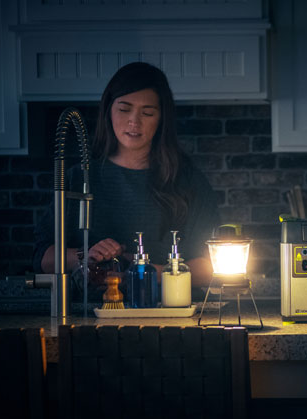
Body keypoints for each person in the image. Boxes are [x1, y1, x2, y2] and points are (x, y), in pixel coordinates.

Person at [33, 62, 220, 291]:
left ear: (161, 118)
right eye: (124, 109)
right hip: (88, 313)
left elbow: (211, 264)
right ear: (108, 110)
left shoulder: (189, 182)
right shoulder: (77, 178)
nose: (134, 121)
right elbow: (43, 258)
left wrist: (155, 274)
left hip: (170, 314)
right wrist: (87, 254)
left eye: (147, 112)